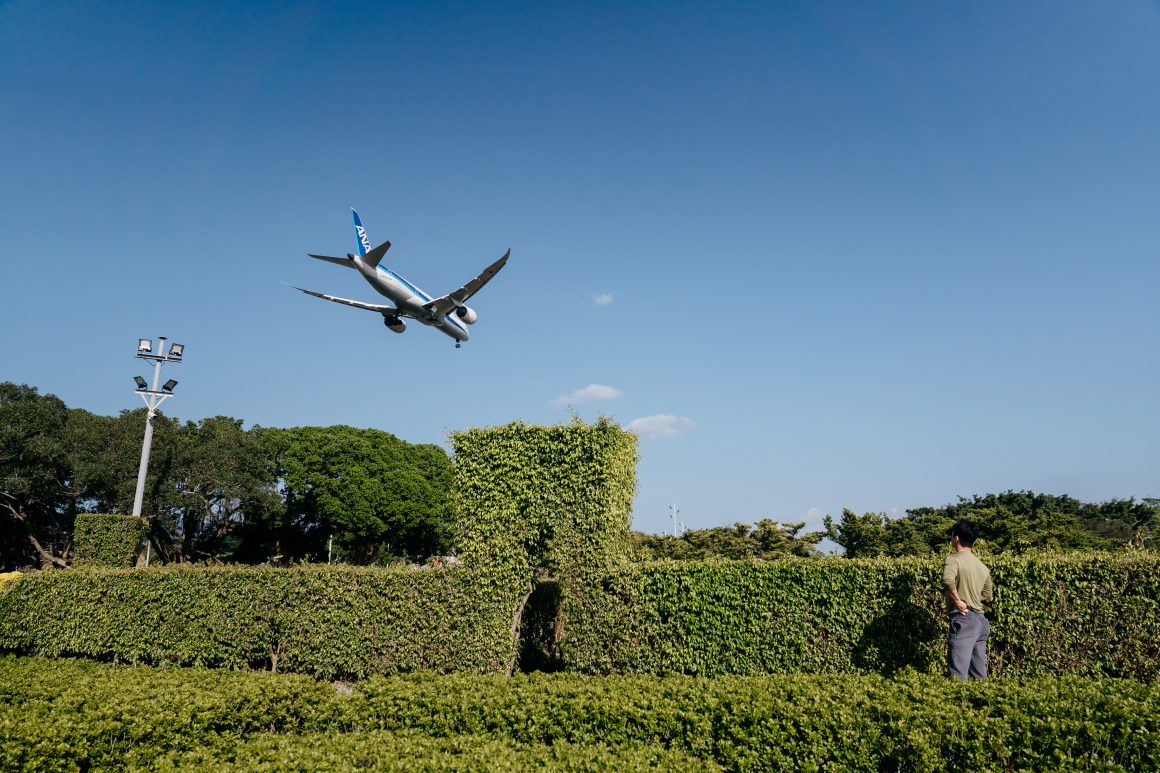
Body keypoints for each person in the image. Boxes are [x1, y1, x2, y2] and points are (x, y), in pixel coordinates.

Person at [942, 520, 992, 680]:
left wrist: (957, 600)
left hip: (964, 620)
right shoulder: (982, 566)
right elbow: (987, 595)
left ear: (956, 538)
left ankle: (957, 704)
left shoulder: (953, 559)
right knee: (979, 675)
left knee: (957, 675)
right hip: (981, 621)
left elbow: (947, 580)